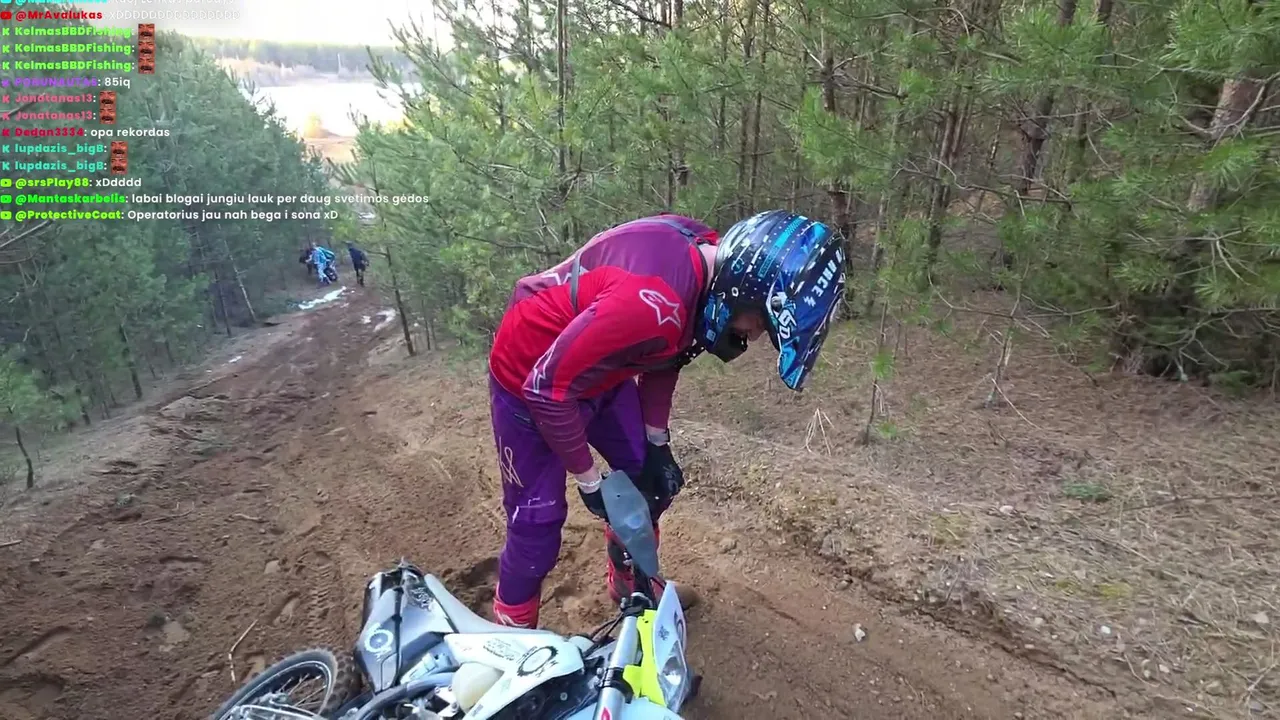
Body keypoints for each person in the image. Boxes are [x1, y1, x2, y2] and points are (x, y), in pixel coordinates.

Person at [486, 209, 847, 628]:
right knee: (538, 522)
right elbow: (545, 389)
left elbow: (665, 354)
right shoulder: (650, 301)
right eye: (761, 322)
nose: (755, 335)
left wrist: (657, 442)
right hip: (527, 380)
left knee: (649, 479)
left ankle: (632, 584)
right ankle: (510, 628)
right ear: (744, 291)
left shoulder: (707, 267)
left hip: (598, 371)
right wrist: (590, 481)